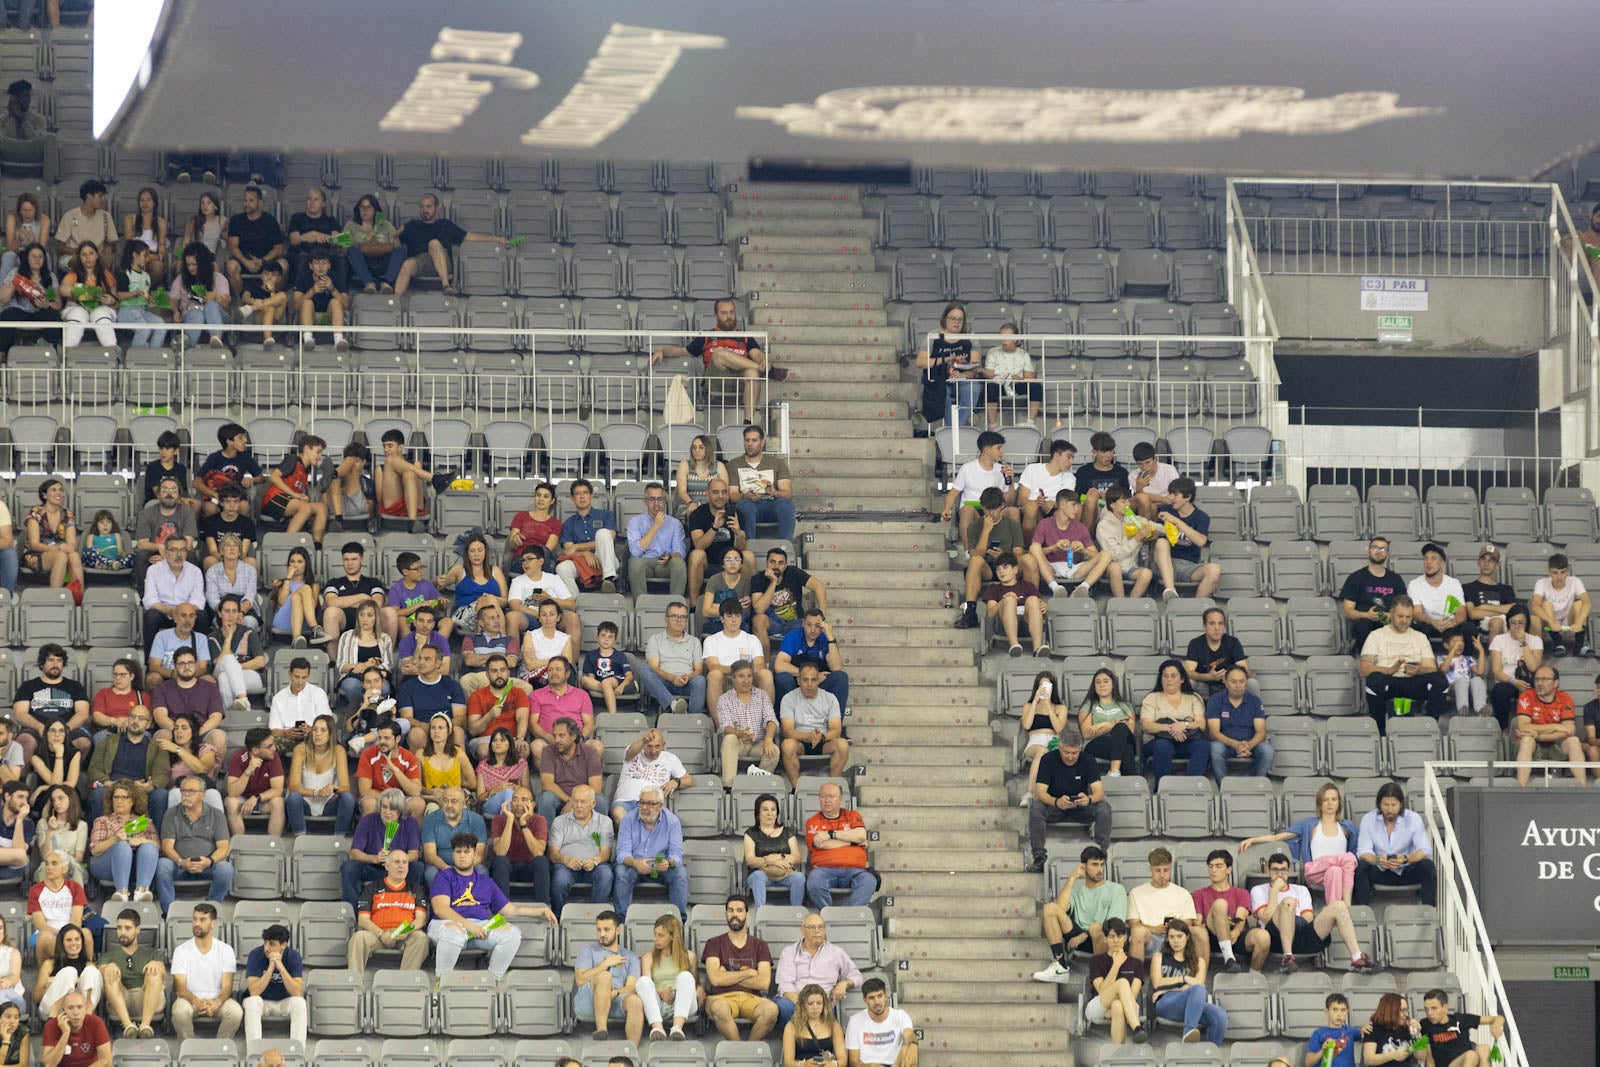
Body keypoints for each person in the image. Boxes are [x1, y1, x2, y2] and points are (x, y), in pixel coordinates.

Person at [428, 831, 551, 980]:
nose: (462, 855)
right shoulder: (444, 876)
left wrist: (541, 910)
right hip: (447, 924)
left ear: (475, 855)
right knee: (454, 932)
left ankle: (492, 981)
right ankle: (441, 982)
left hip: (480, 928)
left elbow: (510, 909)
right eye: (458, 851)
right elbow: (441, 909)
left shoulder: (485, 881)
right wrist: (468, 925)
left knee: (512, 934)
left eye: (466, 852)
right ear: (453, 854)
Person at [651, 298, 787, 424]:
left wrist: (764, 360)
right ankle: (769, 372)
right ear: (716, 315)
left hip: (739, 381)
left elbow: (757, 354)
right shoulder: (707, 336)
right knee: (719, 353)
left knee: (752, 372)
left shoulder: (745, 337)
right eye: (724, 313)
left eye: (731, 312)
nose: (729, 317)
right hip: (716, 379)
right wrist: (662, 350)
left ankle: (747, 422)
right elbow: (682, 351)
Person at [1252, 851, 1374, 973]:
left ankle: (1357, 956)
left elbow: (1308, 918)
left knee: (1339, 906)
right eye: (1275, 870)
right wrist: (1275, 891)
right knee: (1288, 903)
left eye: (1283, 870)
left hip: (1301, 933)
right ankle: (1287, 957)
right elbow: (1266, 918)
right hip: (1276, 937)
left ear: (1289, 872)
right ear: (1268, 871)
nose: (1279, 874)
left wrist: (1291, 921)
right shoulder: (1258, 890)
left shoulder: (1301, 890)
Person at [1240, 781, 1358, 906]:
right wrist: (1253, 840)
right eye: (1325, 800)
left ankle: (1335, 910)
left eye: (1334, 799)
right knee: (1349, 858)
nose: (1330, 803)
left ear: (1339, 802)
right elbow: (1277, 837)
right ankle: (1347, 906)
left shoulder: (1347, 827)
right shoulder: (1308, 824)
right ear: (1319, 803)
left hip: (1336, 873)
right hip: (1314, 870)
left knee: (1335, 870)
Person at [1032, 844, 1127, 982]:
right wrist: (1073, 878)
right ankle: (1060, 966)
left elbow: (1115, 924)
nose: (1100, 869)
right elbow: (1060, 908)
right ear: (1083, 867)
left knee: (1096, 928)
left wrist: (1085, 934)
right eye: (1094, 865)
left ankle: (1103, 978)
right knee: (1049, 908)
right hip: (1078, 937)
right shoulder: (1077, 892)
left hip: (1104, 937)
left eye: (1102, 865)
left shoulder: (1116, 889)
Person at [1026, 726, 1111, 873]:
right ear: (1059, 748)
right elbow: (1040, 792)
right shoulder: (1048, 760)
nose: (1070, 757)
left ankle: (1101, 853)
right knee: (1036, 809)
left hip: (1080, 805)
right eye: (1066, 752)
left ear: (1080, 749)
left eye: (1074, 753)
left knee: (1104, 808)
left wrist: (1089, 799)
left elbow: (1099, 792)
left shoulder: (1088, 760)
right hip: (1055, 804)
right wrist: (1055, 801)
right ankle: (1039, 857)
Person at [1359, 595, 1447, 734]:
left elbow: (1431, 667)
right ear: (1391, 614)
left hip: (1414, 680)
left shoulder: (1420, 637)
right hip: (1389, 680)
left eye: (1408, 617)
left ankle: (1429, 727)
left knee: (1440, 679)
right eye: (1400, 616)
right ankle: (1380, 730)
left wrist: (1419, 670)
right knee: (1374, 680)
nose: (1404, 621)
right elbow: (1364, 669)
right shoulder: (1376, 635)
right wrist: (1388, 670)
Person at [392, 193, 507, 296]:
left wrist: (495, 239)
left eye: (428, 206)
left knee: (434, 243)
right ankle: (394, 301)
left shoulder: (445, 225)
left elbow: (469, 237)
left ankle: (446, 286)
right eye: (422, 207)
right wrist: (395, 236)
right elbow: (397, 249)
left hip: (442, 259)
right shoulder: (412, 225)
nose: (425, 210)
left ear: (437, 208)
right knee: (407, 264)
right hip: (420, 261)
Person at [704, 895, 781, 1042]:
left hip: (751, 998)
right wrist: (749, 973)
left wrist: (727, 975)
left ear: (747, 914)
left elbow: (764, 983)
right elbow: (716, 980)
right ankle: (738, 1048)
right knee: (719, 1008)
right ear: (726, 913)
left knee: (771, 1010)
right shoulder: (714, 943)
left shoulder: (760, 945)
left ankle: (749, 1048)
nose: (734, 914)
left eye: (739, 910)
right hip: (721, 998)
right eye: (730, 910)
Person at [955, 486, 1032, 630]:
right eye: (987, 509)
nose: (992, 513)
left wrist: (1003, 555)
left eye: (995, 509)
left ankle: (1032, 601)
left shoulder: (1012, 525)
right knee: (976, 561)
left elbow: (1019, 553)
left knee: (1028, 559)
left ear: (1002, 506)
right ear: (982, 507)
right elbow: (974, 555)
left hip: (1009, 565)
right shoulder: (974, 526)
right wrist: (986, 530)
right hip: (988, 567)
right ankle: (970, 610)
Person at [154, 777, 234, 914]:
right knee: (162, 864)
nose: (186, 794)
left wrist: (209, 861)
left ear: (202, 794)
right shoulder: (171, 814)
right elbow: (167, 847)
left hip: (207, 866)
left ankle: (210, 910)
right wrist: (181, 862)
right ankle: (169, 912)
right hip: (179, 865)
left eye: (191, 791)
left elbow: (224, 848)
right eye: (183, 790)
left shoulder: (216, 815)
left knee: (226, 869)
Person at [944, 431, 1018, 574]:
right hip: (975, 511)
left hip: (996, 511)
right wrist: (947, 508)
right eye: (998, 448)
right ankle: (968, 552)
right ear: (986, 449)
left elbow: (1010, 501)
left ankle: (1012, 552)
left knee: (1014, 511)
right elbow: (953, 492)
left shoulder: (1001, 470)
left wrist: (1010, 482)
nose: (1002, 452)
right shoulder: (967, 468)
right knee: (966, 509)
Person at [1355, 781, 1438, 907]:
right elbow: (1363, 851)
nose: (1389, 809)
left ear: (1401, 804)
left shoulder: (1413, 818)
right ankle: (1362, 912)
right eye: (1386, 805)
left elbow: (1425, 850)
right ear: (1379, 805)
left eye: (1394, 805)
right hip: (1380, 870)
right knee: (1361, 867)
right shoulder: (1368, 819)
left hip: (1405, 870)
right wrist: (1378, 860)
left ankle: (1429, 911)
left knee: (1428, 866)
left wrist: (1406, 859)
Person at [1149, 918, 1228, 1045]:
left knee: (1220, 1015)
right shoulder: (1159, 957)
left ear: (1187, 937)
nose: (1175, 941)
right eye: (1172, 937)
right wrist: (1184, 979)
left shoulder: (1199, 961)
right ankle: (1189, 1032)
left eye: (1179, 936)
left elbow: (1199, 984)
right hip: (1165, 1003)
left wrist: (1169, 988)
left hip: (1191, 1005)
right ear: (1167, 939)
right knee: (1197, 989)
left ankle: (1209, 1055)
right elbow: (1157, 983)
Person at [170, 902, 243, 1039]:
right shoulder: (181, 951)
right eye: (195, 919)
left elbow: (227, 986)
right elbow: (180, 988)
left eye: (202, 919)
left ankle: (221, 1048)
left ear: (213, 923)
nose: (197, 923)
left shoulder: (226, 950)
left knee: (236, 1012)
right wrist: (196, 1001)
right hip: (189, 999)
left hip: (216, 999)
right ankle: (189, 1048)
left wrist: (216, 1003)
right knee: (179, 1011)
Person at [348, 850, 429, 972]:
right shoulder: (372, 888)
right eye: (397, 862)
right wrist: (381, 934)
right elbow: (363, 920)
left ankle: (405, 982)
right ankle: (354, 983)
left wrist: (406, 931)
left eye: (405, 862)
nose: (401, 866)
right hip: (378, 934)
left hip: (405, 935)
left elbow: (421, 919)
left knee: (421, 938)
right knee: (358, 937)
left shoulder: (416, 889)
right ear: (387, 866)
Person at [777, 913, 861, 1028]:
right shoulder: (789, 952)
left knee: (826, 1011)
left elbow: (857, 976)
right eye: (812, 927)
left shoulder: (836, 952)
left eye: (821, 927)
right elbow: (785, 985)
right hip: (795, 1002)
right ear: (802, 930)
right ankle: (797, 1041)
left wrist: (844, 983)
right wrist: (804, 1005)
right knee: (783, 1007)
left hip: (823, 1004)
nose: (817, 931)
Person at [615, 787, 689, 917]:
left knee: (680, 873)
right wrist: (635, 863)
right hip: (634, 864)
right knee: (621, 872)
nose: (644, 807)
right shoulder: (628, 819)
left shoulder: (672, 821)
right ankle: (621, 920)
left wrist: (668, 863)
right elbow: (622, 853)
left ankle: (678, 921)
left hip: (661, 865)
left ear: (660, 805)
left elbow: (676, 854)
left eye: (649, 804)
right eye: (642, 802)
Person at [341, 788, 422, 907]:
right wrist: (375, 858)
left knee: (418, 867)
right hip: (372, 867)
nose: (387, 812)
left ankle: (412, 905)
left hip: (398, 867)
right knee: (348, 868)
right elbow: (354, 853)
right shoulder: (368, 821)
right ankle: (354, 910)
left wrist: (395, 859)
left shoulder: (410, 823)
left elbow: (414, 854)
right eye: (384, 807)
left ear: (400, 811)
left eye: (393, 808)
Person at [1192, 848, 1268, 974]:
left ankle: (1254, 975)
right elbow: (1197, 922)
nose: (1213, 870)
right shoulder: (1199, 894)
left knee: (1263, 937)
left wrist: (1236, 932)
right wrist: (1219, 920)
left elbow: (1241, 917)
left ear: (1229, 869)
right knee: (1220, 904)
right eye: (1210, 866)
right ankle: (1229, 958)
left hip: (1235, 935)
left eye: (1218, 866)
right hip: (1211, 936)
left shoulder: (1241, 893)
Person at [13, 643, 91, 765]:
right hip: (36, 729)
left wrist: (65, 729)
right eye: (50, 660)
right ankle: (22, 782)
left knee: (83, 742)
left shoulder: (75, 686)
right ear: (42, 663)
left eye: (59, 660)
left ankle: (68, 779)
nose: (55, 664)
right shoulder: (28, 686)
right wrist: (39, 727)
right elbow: (20, 714)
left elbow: (83, 713)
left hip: (67, 729)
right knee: (25, 741)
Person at [573, 910, 645, 1043]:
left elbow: (631, 987)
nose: (602, 934)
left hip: (615, 1000)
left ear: (618, 930)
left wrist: (615, 992)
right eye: (599, 930)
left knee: (636, 1001)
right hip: (589, 1000)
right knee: (605, 977)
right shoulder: (588, 950)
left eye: (606, 929)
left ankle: (632, 1053)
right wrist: (606, 963)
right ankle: (602, 1030)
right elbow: (580, 979)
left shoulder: (631, 956)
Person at [1512, 664, 1587, 786]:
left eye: (1545, 679)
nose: (1540, 683)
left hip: (1556, 745)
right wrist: (1556, 726)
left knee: (1573, 741)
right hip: (1532, 745)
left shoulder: (1565, 698)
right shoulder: (1526, 696)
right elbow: (1524, 727)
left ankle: (1583, 789)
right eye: (1537, 679)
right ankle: (1521, 788)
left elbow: (1567, 731)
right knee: (1526, 740)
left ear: (1556, 683)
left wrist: (1538, 735)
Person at [87, 780, 160, 904]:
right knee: (122, 846)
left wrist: (143, 840)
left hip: (137, 867)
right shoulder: (102, 820)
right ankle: (121, 891)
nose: (119, 801)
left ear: (133, 801)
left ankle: (142, 891)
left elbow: (157, 847)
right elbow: (95, 850)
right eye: (116, 797)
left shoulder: (144, 822)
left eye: (124, 797)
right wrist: (115, 839)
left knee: (149, 846)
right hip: (107, 866)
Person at [1126, 847, 1204, 962]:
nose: (1162, 875)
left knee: (1200, 932)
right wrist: (1153, 929)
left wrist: (1174, 926)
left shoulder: (1183, 893)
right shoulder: (1136, 893)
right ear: (1150, 869)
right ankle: (1135, 978)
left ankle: (1199, 976)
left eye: (1166, 870)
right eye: (1157, 870)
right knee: (1138, 932)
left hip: (1176, 936)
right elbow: (1134, 924)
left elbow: (1188, 922)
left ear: (1171, 868)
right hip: (1149, 937)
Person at [779, 661, 851, 787]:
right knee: (787, 745)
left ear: (819, 680)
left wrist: (821, 737)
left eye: (813, 680)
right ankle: (796, 789)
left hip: (823, 741)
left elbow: (836, 730)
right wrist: (809, 736)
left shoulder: (830, 698)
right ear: (798, 680)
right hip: (800, 741)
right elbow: (787, 731)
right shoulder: (788, 699)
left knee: (842, 745)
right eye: (805, 680)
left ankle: (832, 787)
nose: (810, 684)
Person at [1028, 490, 1111, 597]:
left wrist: (1083, 550)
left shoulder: (1081, 527)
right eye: (1073, 505)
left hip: (1075, 568)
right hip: (1050, 567)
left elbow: (1095, 555)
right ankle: (1055, 587)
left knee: (1106, 554)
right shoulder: (1044, 524)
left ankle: (1083, 588)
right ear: (1062, 505)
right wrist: (1054, 548)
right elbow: (1033, 552)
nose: (1077, 509)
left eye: (1078, 505)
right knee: (1034, 547)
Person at [805, 780, 874, 907]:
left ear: (840, 798)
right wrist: (853, 843)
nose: (827, 800)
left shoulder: (852, 815)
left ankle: (848, 916)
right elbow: (821, 844)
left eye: (831, 796)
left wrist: (830, 834)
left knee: (869, 881)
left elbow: (861, 835)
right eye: (823, 796)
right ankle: (828, 914)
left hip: (855, 870)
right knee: (814, 882)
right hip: (824, 870)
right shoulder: (812, 821)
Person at [548, 784, 615, 914]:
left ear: (593, 803)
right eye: (575, 801)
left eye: (583, 802)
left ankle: (596, 916)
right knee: (560, 879)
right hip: (566, 866)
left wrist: (595, 860)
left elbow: (606, 853)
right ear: (571, 802)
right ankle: (557, 917)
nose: (578, 806)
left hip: (595, 865)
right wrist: (566, 860)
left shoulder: (605, 822)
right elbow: (552, 853)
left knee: (606, 874)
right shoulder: (559, 821)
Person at [98, 909, 164, 1040]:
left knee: (155, 972)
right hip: (121, 1000)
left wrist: (156, 965)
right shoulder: (109, 955)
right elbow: (101, 969)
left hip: (147, 998)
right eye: (119, 928)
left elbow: (162, 970)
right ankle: (128, 1026)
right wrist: (108, 967)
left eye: (127, 928)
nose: (122, 932)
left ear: (137, 929)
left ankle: (145, 1026)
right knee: (110, 974)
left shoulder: (152, 953)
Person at [916, 301, 982, 432]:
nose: (956, 322)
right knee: (941, 390)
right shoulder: (933, 336)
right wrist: (946, 359)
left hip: (961, 379)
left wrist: (962, 375)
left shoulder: (970, 338)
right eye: (953, 318)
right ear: (945, 319)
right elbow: (920, 362)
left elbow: (976, 367)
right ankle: (956, 430)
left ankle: (954, 429)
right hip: (940, 378)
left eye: (960, 319)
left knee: (973, 388)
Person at [286, 714, 356, 835]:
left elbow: (345, 787)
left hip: (329, 803)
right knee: (293, 798)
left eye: (323, 730)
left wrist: (334, 788)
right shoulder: (300, 749)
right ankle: (300, 836)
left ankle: (340, 837)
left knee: (348, 798)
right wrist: (317, 792)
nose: (317, 734)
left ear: (331, 733)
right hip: (305, 803)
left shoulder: (339, 750)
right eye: (315, 729)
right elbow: (293, 787)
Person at [636, 913, 702, 1040]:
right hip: (659, 1004)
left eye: (660, 935)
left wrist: (701, 990)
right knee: (642, 981)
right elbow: (647, 988)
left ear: (672, 936)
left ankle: (677, 1027)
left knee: (685, 976)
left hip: (684, 1003)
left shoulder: (689, 956)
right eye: (655, 934)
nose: (656, 939)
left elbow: (695, 984)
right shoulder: (648, 957)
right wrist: (660, 991)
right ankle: (657, 1027)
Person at [1154, 477, 1221, 601]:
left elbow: (1201, 541)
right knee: (1161, 542)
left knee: (1214, 569)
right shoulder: (1165, 510)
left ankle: (1195, 606)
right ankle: (1170, 591)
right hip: (1165, 563)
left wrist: (1177, 521)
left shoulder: (1201, 517)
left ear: (1188, 497)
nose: (1171, 498)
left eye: (1176, 494)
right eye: (1170, 493)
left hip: (1189, 566)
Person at [717, 660, 781, 786]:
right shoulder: (724, 699)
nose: (746, 681)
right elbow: (725, 727)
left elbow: (771, 720)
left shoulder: (762, 695)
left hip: (758, 743)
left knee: (774, 750)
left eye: (749, 676)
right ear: (733, 678)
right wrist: (739, 733)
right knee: (729, 738)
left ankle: (759, 786)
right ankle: (729, 785)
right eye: (741, 676)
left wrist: (768, 739)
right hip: (739, 743)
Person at [1205, 666, 1274, 781]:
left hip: (1250, 744)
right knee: (1215, 749)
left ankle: (1255, 784)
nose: (1238, 686)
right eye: (1233, 682)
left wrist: (1248, 745)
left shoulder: (1255, 700)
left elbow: (1261, 732)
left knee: (1267, 751)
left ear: (1246, 682)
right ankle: (1224, 786)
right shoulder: (1215, 700)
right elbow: (1214, 733)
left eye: (1242, 682)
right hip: (1225, 743)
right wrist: (1236, 745)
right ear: (1225, 682)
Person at [241, 923, 306, 1046]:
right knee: (252, 1001)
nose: (267, 948)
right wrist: (270, 969)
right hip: (262, 1002)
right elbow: (254, 991)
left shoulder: (293, 956)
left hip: (283, 1002)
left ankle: (298, 1052)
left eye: (272, 944)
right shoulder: (255, 954)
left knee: (300, 1003)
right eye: (265, 943)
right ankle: (254, 1050)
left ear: (283, 945)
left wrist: (281, 968)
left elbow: (297, 992)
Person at [611, 729, 695, 823]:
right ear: (643, 746)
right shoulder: (634, 752)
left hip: (652, 804)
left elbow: (690, 780)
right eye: (649, 746)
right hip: (625, 801)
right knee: (618, 813)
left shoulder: (670, 758)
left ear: (663, 745)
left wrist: (676, 782)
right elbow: (629, 752)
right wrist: (643, 741)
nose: (653, 751)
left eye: (657, 746)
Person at [1084, 917, 1146, 1045]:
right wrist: (1116, 965)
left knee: (1117, 1005)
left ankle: (1118, 1052)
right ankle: (1137, 1027)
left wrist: (1115, 1007)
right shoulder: (1096, 961)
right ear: (1105, 939)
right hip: (1099, 1005)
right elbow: (1101, 989)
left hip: (1127, 1006)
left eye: (1119, 935)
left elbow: (1132, 995)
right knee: (1122, 982)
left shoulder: (1136, 964)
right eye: (1112, 936)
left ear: (1126, 937)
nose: (1116, 940)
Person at [506, 548, 581, 652]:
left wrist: (550, 599)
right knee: (512, 617)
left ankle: (572, 663)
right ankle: (513, 657)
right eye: (523, 560)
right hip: (531, 617)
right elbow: (514, 605)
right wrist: (539, 614)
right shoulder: (518, 581)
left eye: (529, 559)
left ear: (541, 561)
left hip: (554, 616)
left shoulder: (554, 579)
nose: (525, 563)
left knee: (573, 618)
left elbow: (571, 605)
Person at [1340, 536, 1407, 651]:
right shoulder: (1356, 578)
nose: (1378, 552)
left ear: (1387, 554)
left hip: (1388, 622)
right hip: (1364, 622)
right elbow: (1347, 611)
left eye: (1383, 549)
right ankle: (1368, 660)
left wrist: (1390, 615)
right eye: (1375, 548)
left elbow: (1404, 608)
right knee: (1363, 626)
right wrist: (1366, 615)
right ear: (1369, 551)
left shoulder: (1396, 579)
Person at [260, 435, 329, 545]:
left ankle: (317, 547)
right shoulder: (293, 459)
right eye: (318, 452)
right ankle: (287, 545)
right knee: (305, 508)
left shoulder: (305, 470)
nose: (320, 457)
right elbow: (274, 476)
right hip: (273, 500)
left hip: (290, 501)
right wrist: (295, 494)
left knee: (322, 507)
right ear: (307, 448)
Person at [641, 602, 708, 713]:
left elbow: (699, 669)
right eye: (674, 616)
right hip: (664, 683)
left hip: (687, 682)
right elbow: (654, 667)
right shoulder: (655, 639)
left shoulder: (694, 641)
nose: (679, 620)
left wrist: (688, 677)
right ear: (666, 619)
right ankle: (673, 704)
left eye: (682, 617)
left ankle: (693, 719)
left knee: (700, 680)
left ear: (686, 620)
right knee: (643, 668)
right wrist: (672, 678)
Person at [557, 478, 621, 594]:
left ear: (591, 496)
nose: (582, 497)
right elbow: (568, 550)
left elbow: (609, 538)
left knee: (603, 533)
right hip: (582, 560)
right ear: (572, 499)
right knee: (562, 568)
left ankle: (608, 579)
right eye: (578, 494)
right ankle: (575, 600)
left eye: (585, 493)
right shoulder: (568, 524)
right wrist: (585, 553)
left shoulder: (606, 515)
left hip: (606, 559)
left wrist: (577, 546)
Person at [439, 533, 510, 636]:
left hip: (493, 614)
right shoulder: (459, 570)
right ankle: (501, 642)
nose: (476, 554)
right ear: (467, 553)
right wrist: (438, 583)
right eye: (472, 551)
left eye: (480, 550)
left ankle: (489, 642)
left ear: (486, 552)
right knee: (489, 602)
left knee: (489, 601)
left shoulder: (495, 571)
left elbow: (505, 601)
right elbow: (439, 585)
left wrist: (490, 598)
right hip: (465, 615)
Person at [489, 784, 550, 903]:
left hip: (530, 869)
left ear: (532, 805)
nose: (518, 804)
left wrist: (523, 823)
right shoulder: (499, 819)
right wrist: (510, 820)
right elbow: (501, 852)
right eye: (515, 800)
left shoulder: (539, 820)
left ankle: (543, 908)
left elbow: (538, 852)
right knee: (500, 861)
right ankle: (502, 908)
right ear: (510, 803)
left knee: (541, 861)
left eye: (524, 800)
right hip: (507, 869)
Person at [224, 186, 286, 299]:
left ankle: (275, 299)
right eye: (245, 200)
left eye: (251, 200)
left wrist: (262, 261)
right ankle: (241, 301)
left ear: (260, 203)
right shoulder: (236, 220)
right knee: (231, 266)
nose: (247, 203)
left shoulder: (270, 221)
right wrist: (246, 262)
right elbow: (232, 246)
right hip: (244, 260)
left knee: (283, 265)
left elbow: (279, 248)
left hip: (266, 261)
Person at [0, 240, 62, 354]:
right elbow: (3, 299)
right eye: (33, 256)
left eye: (40, 256)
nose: (37, 259)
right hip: (19, 311)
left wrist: (47, 304)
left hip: (40, 312)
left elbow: (58, 304)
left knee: (54, 315)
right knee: (7, 314)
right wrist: (17, 281)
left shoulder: (50, 277)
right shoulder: (15, 272)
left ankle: (52, 351)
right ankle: (2, 353)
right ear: (26, 258)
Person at [627, 483, 688, 596]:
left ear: (665, 501)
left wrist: (671, 556)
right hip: (645, 562)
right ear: (645, 501)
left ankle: (676, 604)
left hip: (665, 564)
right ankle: (641, 606)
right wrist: (655, 526)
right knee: (634, 563)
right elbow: (635, 552)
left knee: (679, 563)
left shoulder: (675, 523)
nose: (656, 504)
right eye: (652, 499)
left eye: (660, 499)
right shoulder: (635, 522)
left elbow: (679, 550)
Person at [537, 716, 602, 822]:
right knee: (546, 798)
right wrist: (570, 800)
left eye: (561, 736)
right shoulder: (548, 751)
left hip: (582, 799)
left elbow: (596, 788)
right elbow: (547, 784)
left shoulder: (590, 752)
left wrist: (576, 802)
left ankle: (595, 837)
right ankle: (547, 838)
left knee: (600, 800)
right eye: (555, 736)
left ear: (573, 736)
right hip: (558, 798)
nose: (556, 740)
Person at [223, 728, 285, 838]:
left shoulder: (274, 757)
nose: (274, 748)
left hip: (263, 800)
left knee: (278, 802)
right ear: (255, 750)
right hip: (242, 800)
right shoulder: (238, 758)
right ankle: (240, 844)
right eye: (269, 746)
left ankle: (274, 844)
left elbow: (278, 790)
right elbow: (232, 792)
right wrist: (248, 771)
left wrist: (257, 798)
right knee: (230, 802)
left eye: (273, 744)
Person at [1418, 988, 1505, 1067]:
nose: (1429, 1013)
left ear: (1445, 1008)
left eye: (1434, 1008)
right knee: (1471, 1055)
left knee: (1483, 1048)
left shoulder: (1459, 1019)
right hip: (1449, 1064)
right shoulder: (1425, 1025)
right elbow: (1429, 1059)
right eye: (1426, 1009)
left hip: (1469, 1062)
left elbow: (1498, 1018)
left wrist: (1496, 1026)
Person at [745, 792, 805, 906]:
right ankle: (760, 913)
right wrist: (769, 860)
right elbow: (750, 860)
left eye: (773, 810)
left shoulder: (787, 832)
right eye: (765, 810)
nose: (770, 814)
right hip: (762, 874)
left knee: (799, 877)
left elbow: (797, 858)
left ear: (777, 813)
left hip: (785, 875)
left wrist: (779, 857)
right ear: (758, 813)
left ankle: (796, 912)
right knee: (758, 876)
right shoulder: (751, 833)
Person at [1019, 673, 1070, 805]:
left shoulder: (1060, 708)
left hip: (1053, 740)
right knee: (1041, 751)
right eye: (1041, 685)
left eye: (1047, 685)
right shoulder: (1029, 706)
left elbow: (1059, 729)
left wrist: (1048, 705)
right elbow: (1026, 725)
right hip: (1035, 740)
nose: (1044, 688)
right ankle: (1029, 792)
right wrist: (1036, 701)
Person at [1488, 607, 1542, 729]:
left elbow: (1533, 667)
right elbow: (1496, 671)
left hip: (1528, 680)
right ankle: (1502, 728)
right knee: (1500, 691)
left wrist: (1523, 642)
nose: (1516, 626)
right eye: (1513, 622)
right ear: (1508, 623)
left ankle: (1534, 727)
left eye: (1520, 623)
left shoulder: (1535, 640)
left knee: (1539, 686)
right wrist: (1514, 681)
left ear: (1526, 623)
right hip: (1507, 681)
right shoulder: (1499, 640)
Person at [27, 849, 85, 964]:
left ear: (65, 868)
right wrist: (61, 936)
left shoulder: (75, 888)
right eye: (47, 863)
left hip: (70, 930)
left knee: (86, 933)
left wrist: (67, 935)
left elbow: (76, 921)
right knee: (46, 938)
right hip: (44, 932)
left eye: (54, 863)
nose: (49, 867)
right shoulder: (35, 890)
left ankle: (84, 969)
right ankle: (47, 975)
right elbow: (40, 925)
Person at [58, 241, 119, 348]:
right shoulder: (73, 274)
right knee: (77, 313)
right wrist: (87, 293)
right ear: (80, 258)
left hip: (101, 308)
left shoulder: (106, 275)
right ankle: (67, 350)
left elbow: (116, 303)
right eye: (84, 254)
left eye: (91, 253)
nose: (88, 257)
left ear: (97, 255)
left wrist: (111, 300)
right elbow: (63, 290)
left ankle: (112, 350)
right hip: (76, 306)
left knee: (101, 314)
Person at [211, 594, 266, 712]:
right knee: (227, 663)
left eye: (234, 611)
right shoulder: (212, 637)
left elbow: (260, 662)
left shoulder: (249, 632)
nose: (231, 615)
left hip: (251, 676)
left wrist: (235, 668)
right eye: (226, 611)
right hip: (220, 673)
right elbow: (217, 663)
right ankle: (242, 699)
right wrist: (228, 638)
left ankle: (231, 716)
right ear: (220, 613)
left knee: (225, 677)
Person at [1529, 553, 1591, 657]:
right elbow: (1535, 606)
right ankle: (1559, 644)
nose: (1559, 577)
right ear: (1549, 572)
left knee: (1580, 603)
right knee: (1546, 604)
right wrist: (1551, 622)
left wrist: (1579, 623)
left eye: (1563, 572)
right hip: (1550, 622)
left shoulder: (1575, 581)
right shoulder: (1541, 583)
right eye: (1555, 573)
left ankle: (1579, 647)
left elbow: (1587, 603)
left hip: (1568, 621)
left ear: (1568, 571)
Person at [983, 556, 1047, 657]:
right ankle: (1014, 645)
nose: (1001, 571)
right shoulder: (994, 588)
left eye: (1005, 567)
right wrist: (1003, 600)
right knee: (1010, 599)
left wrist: (1045, 607)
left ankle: (1037, 648)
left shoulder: (1027, 585)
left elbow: (1040, 604)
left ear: (1015, 569)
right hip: (1003, 625)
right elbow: (990, 614)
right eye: (998, 569)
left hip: (1028, 623)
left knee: (1033, 600)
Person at [1406, 543, 1468, 648]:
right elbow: (1416, 613)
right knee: (1420, 628)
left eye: (1433, 558)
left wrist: (1453, 622)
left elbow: (1461, 612)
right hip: (1429, 625)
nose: (1428, 562)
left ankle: (1466, 662)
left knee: (1468, 628)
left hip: (1450, 626)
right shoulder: (1415, 584)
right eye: (1426, 559)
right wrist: (1432, 622)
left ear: (1442, 563)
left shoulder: (1453, 583)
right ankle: (1423, 662)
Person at [845, 977, 917, 1067]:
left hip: (895, 1064)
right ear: (865, 1000)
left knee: (908, 1048)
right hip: (868, 1065)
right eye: (871, 998)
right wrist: (870, 1066)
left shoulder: (900, 1016)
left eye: (880, 996)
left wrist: (913, 1044)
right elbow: (854, 1061)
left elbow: (909, 1033)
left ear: (886, 996)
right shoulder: (855, 1021)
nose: (877, 1002)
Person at [1078, 669, 1138, 776]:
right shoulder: (1089, 705)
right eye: (1098, 682)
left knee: (1121, 730)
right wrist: (1114, 725)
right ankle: (1130, 786)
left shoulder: (1125, 705)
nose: (1102, 685)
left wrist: (1106, 725)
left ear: (1113, 684)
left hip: (1122, 740)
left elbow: (1130, 729)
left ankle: (1114, 771)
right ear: (1094, 686)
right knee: (1127, 749)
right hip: (1096, 743)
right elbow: (1086, 733)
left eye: (1106, 681)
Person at [36, 923, 99, 1017]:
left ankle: (87, 1016)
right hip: (53, 1009)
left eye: (77, 939)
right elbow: (36, 997)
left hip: (79, 1010)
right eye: (69, 940)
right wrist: (57, 985)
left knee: (92, 971)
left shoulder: (88, 965)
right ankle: (53, 1020)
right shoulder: (49, 964)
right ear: (61, 943)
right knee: (69, 972)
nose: (74, 943)